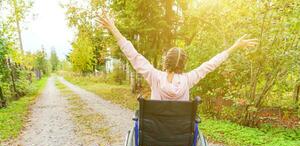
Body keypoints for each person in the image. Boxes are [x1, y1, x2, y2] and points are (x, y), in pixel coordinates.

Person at [98, 13, 258, 101]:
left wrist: (113, 28)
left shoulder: (154, 76)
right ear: (183, 64)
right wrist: (235, 46)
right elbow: (211, 64)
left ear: (166, 61)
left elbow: (132, 54)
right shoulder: (189, 79)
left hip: (156, 131)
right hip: (178, 134)